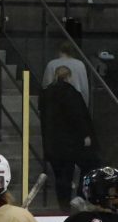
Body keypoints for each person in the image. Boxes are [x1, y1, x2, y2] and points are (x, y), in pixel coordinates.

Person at [39, 66, 98, 212]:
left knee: (60, 176)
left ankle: (63, 206)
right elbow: (79, 117)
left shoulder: (46, 94)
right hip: (70, 143)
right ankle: (79, 197)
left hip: (52, 143)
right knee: (89, 164)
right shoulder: (71, 93)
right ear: (69, 77)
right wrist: (85, 134)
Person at [42, 43, 90, 107]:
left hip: (55, 101)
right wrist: (85, 105)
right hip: (75, 102)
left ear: (59, 50)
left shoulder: (51, 64)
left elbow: (46, 85)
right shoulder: (80, 64)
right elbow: (84, 87)